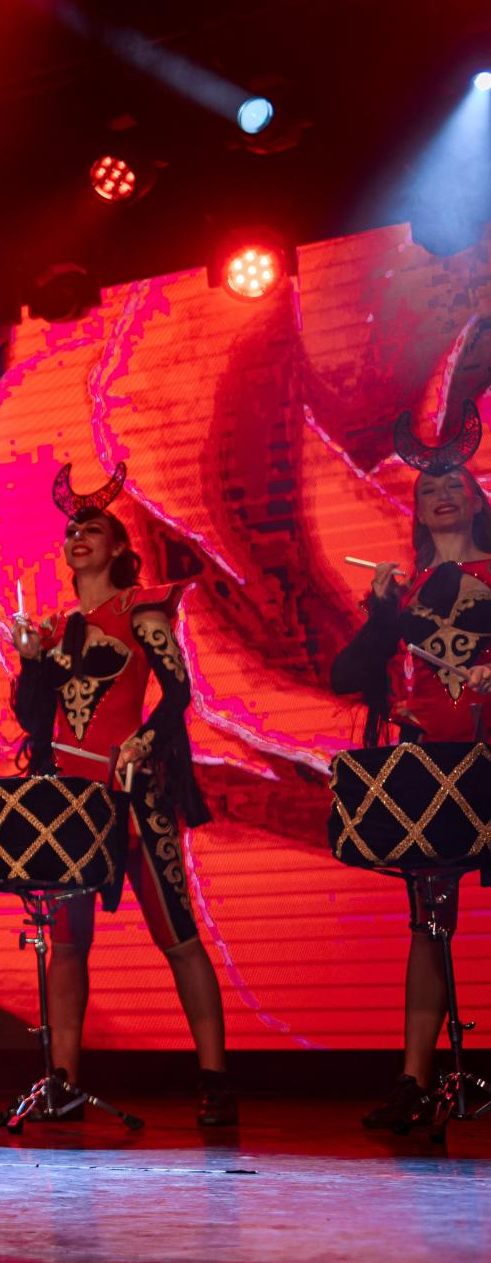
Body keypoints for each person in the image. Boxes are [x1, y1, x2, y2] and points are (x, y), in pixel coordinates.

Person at [10, 464, 237, 1126]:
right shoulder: (53, 630)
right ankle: (63, 1083)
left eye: (92, 529)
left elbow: (180, 690)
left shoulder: (142, 608)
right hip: (69, 803)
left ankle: (215, 1080)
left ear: (117, 548)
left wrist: (145, 740)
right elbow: (33, 719)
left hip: (133, 791)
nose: (77, 537)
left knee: (178, 935)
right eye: (71, 531)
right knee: (67, 944)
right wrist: (29, 660)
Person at [329, 405, 491, 1132]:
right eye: (428, 489)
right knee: (429, 924)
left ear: (478, 498)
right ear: (419, 512)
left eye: (454, 482)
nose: (442, 493)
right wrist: (380, 615)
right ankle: (415, 1080)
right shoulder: (409, 588)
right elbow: (346, 677)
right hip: (435, 766)